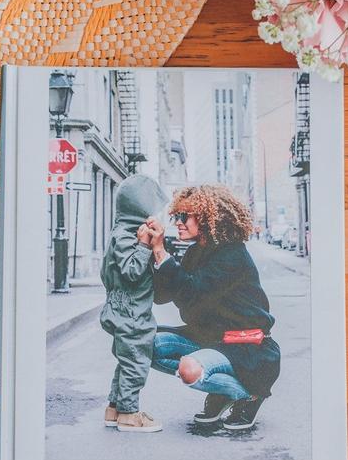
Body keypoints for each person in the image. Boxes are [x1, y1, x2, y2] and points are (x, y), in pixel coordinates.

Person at [147, 185, 280, 430]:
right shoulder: (196, 252)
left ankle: (245, 395)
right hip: (209, 338)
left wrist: (161, 252)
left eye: (185, 216)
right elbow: (164, 296)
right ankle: (222, 393)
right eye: (177, 216)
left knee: (190, 370)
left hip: (246, 348)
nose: (178, 222)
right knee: (143, 345)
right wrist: (152, 252)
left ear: (208, 218)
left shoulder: (232, 255)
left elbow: (191, 291)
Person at [99, 174, 169, 432]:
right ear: (140, 206)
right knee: (136, 363)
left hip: (120, 308)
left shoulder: (119, 232)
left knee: (126, 361)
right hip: (132, 312)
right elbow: (131, 271)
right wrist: (143, 246)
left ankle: (114, 409)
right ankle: (129, 414)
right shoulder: (130, 235)